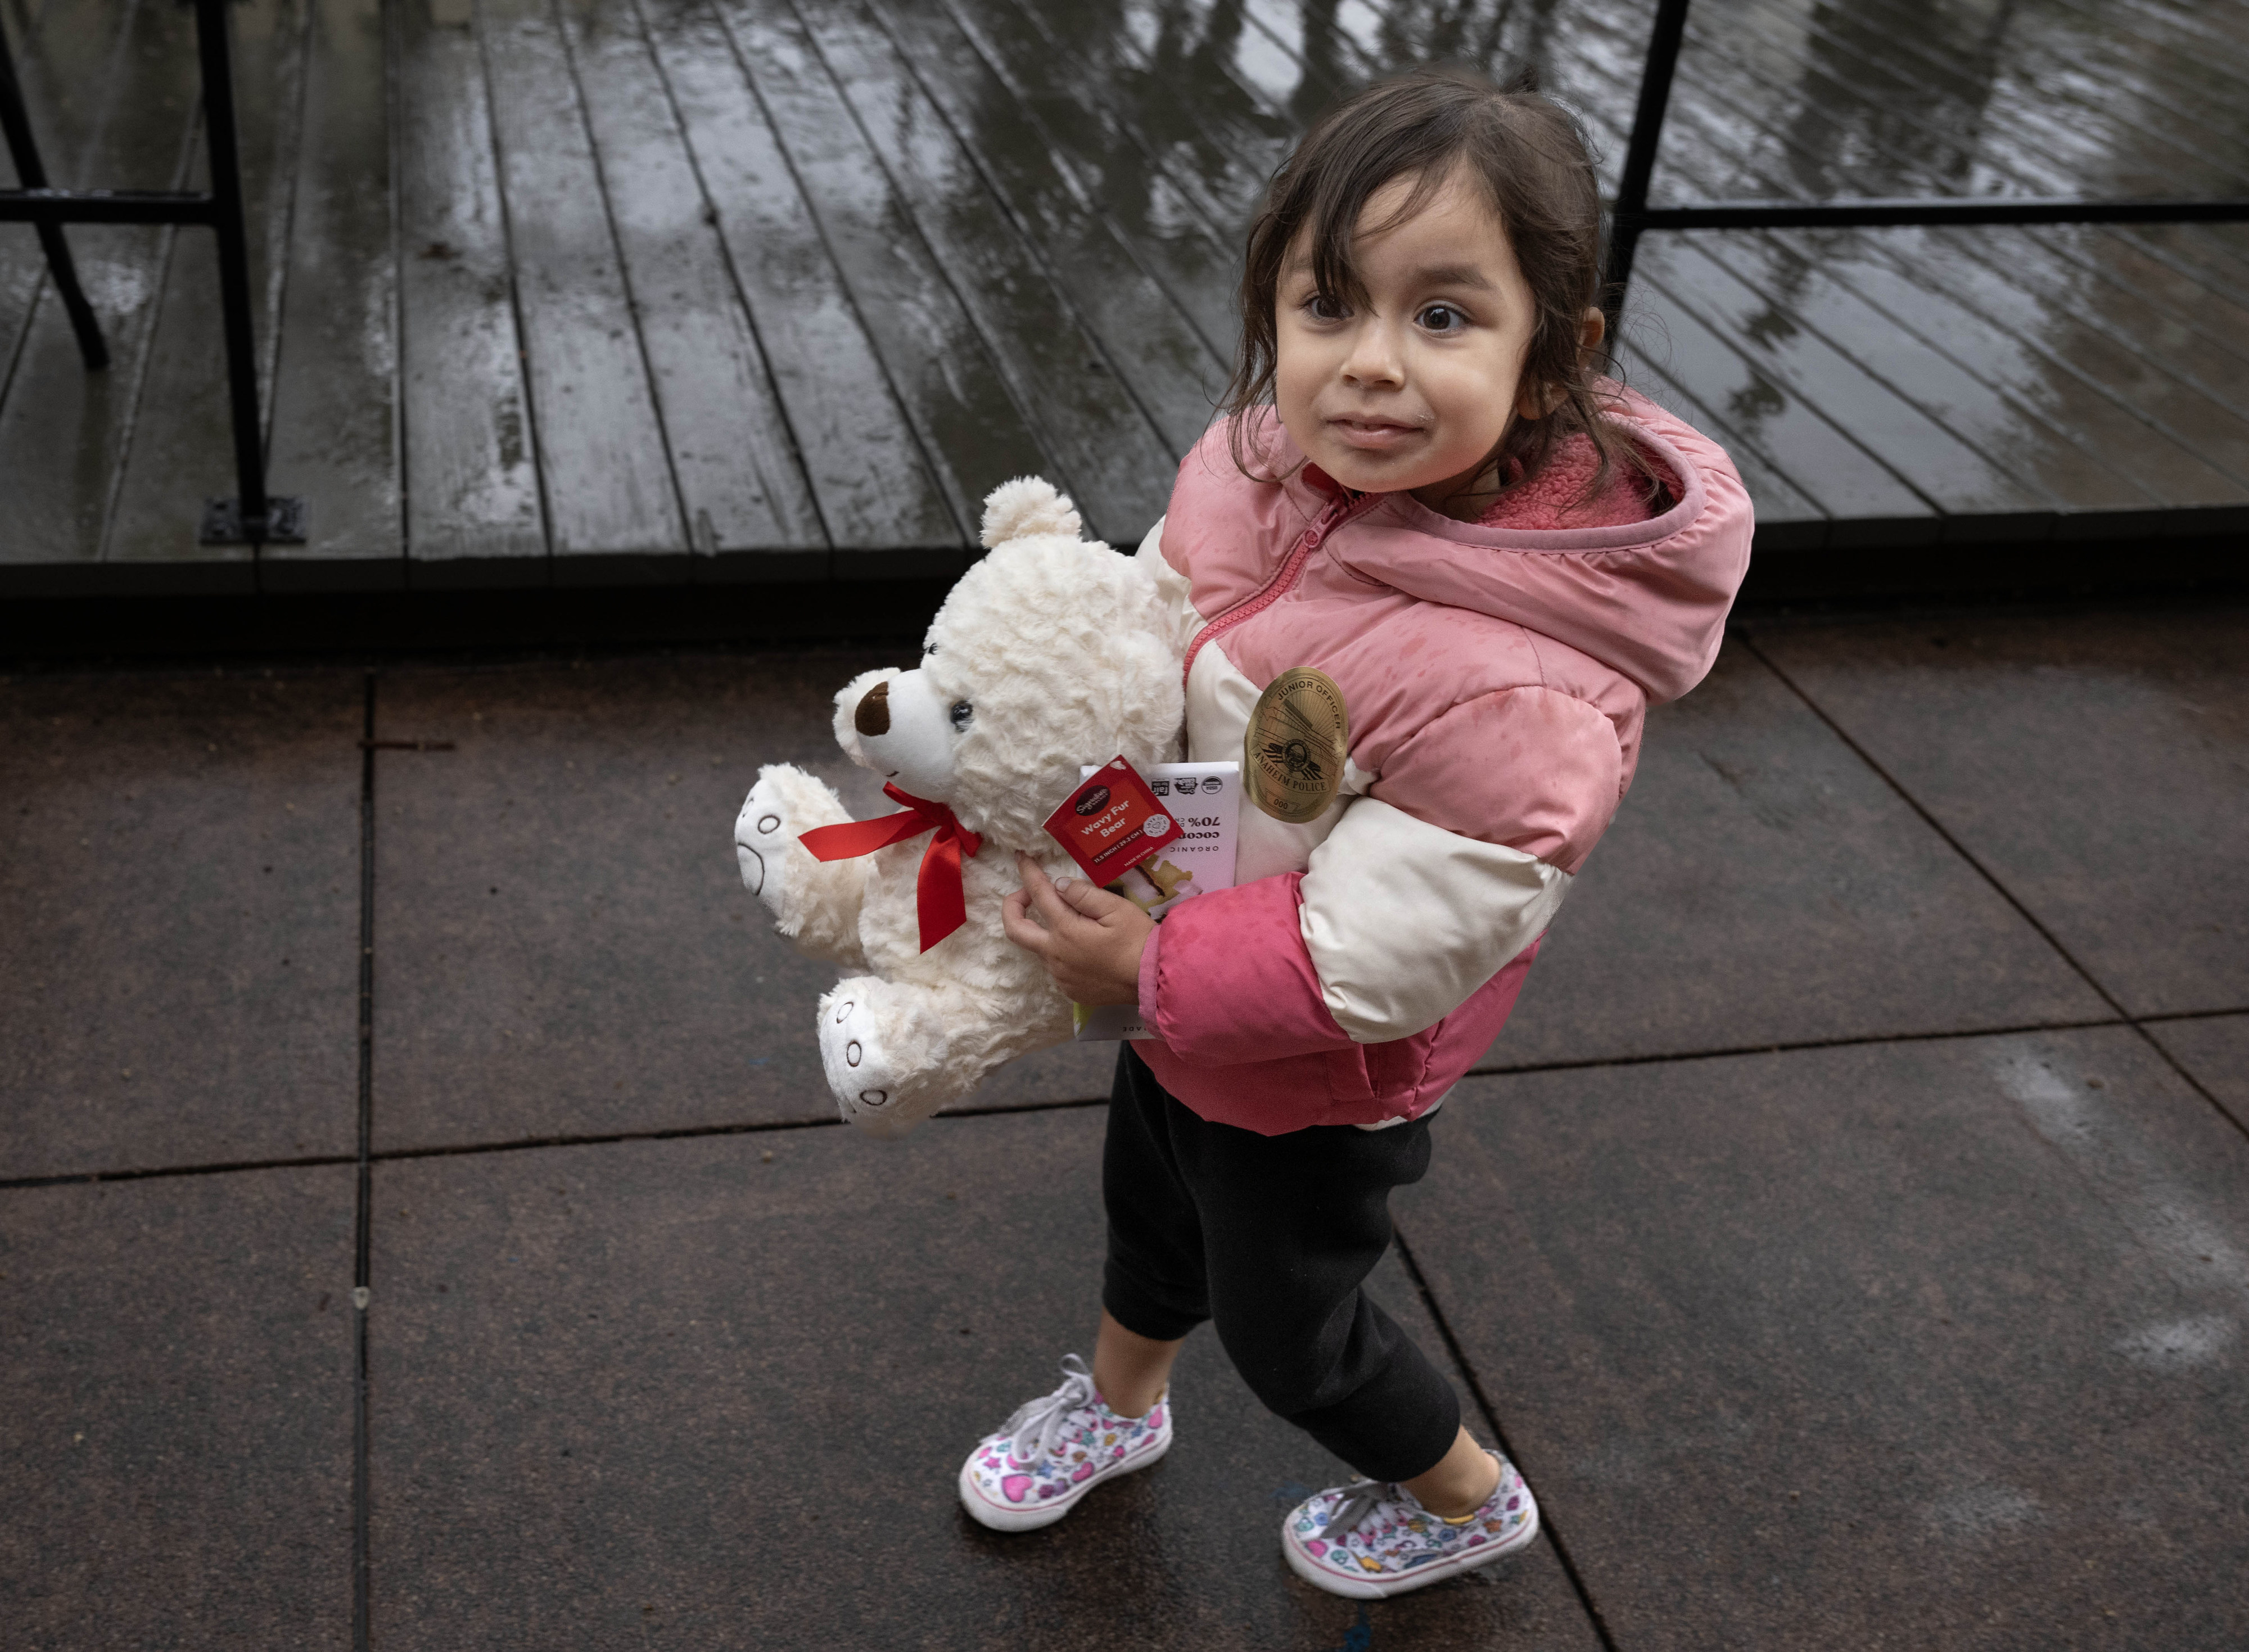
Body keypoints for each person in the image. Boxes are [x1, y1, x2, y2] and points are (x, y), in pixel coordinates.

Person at [970, 66, 1753, 1599]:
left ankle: (1461, 1494)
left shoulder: (1525, 684)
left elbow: (1373, 951)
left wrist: (1156, 957)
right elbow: (1159, 640)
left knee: (1294, 1328)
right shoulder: (1255, 466)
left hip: (1315, 1073)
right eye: (1328, 305)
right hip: (1176, 982)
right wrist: (1061, 759)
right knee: (1148, 1206)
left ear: (1552, 359)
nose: (1371, 366)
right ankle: (1121, 1404)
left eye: (1444, 316)